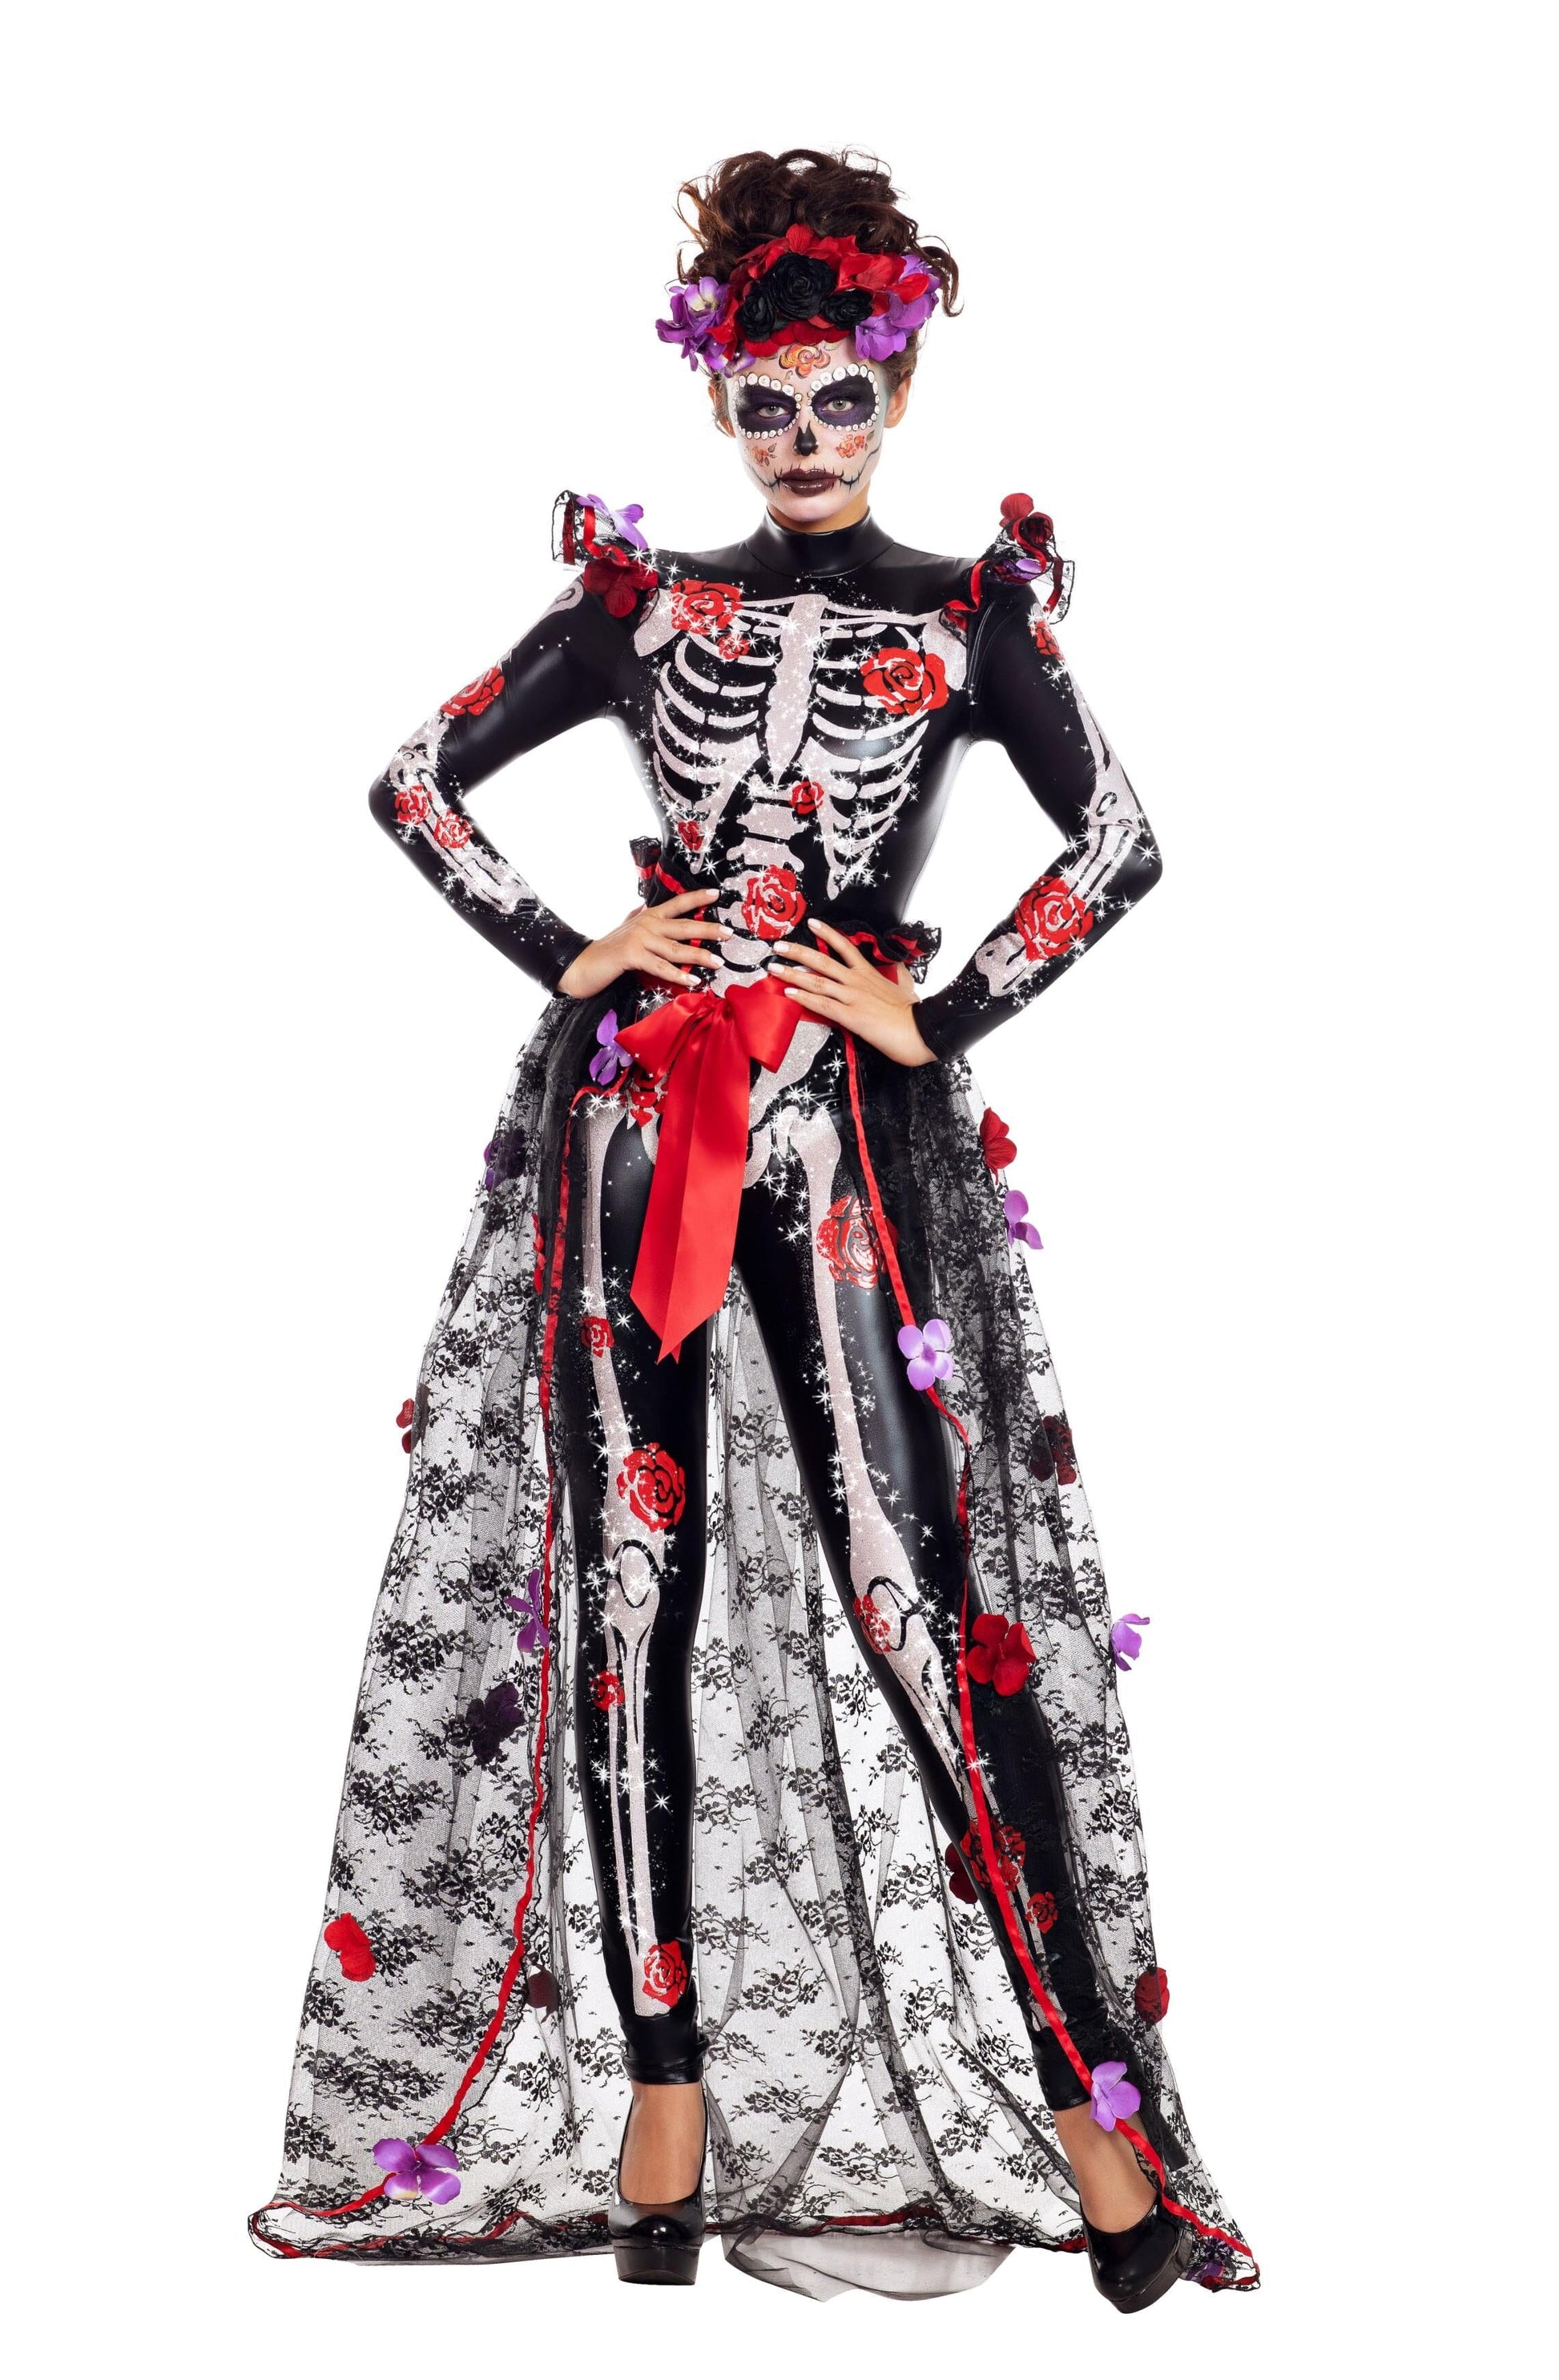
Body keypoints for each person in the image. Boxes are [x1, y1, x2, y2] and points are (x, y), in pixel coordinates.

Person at [251, 147, 1255, 2310]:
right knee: (634, 1585)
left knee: (925, 1600)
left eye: (842, 400)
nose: (806, 439)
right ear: (719, 401)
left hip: (848, 1153)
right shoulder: (646, 608)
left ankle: (1093, 2114)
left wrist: (936, 1010)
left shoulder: (967, 614)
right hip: (636, 1133)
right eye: (769, 405)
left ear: (898, 388)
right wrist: (575, 951)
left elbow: (1120, 840)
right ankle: (664, 2106)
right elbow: (415, 778)